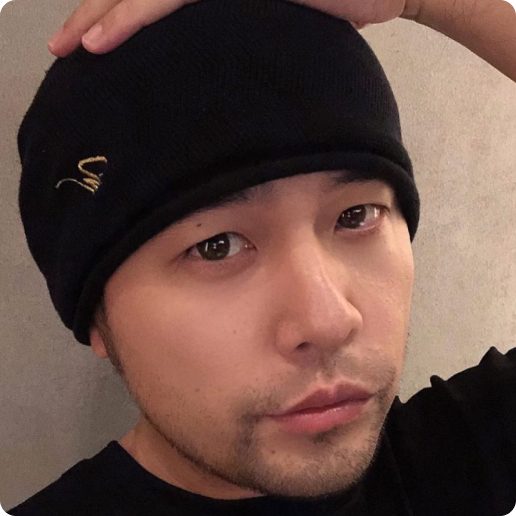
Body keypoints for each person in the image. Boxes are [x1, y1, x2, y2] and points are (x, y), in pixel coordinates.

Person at [6, 0, 516, 514]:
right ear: (97, 317)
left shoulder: (455, 465)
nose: (329, 321)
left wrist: (425, 4)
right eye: (217, 246)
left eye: (356, 215)